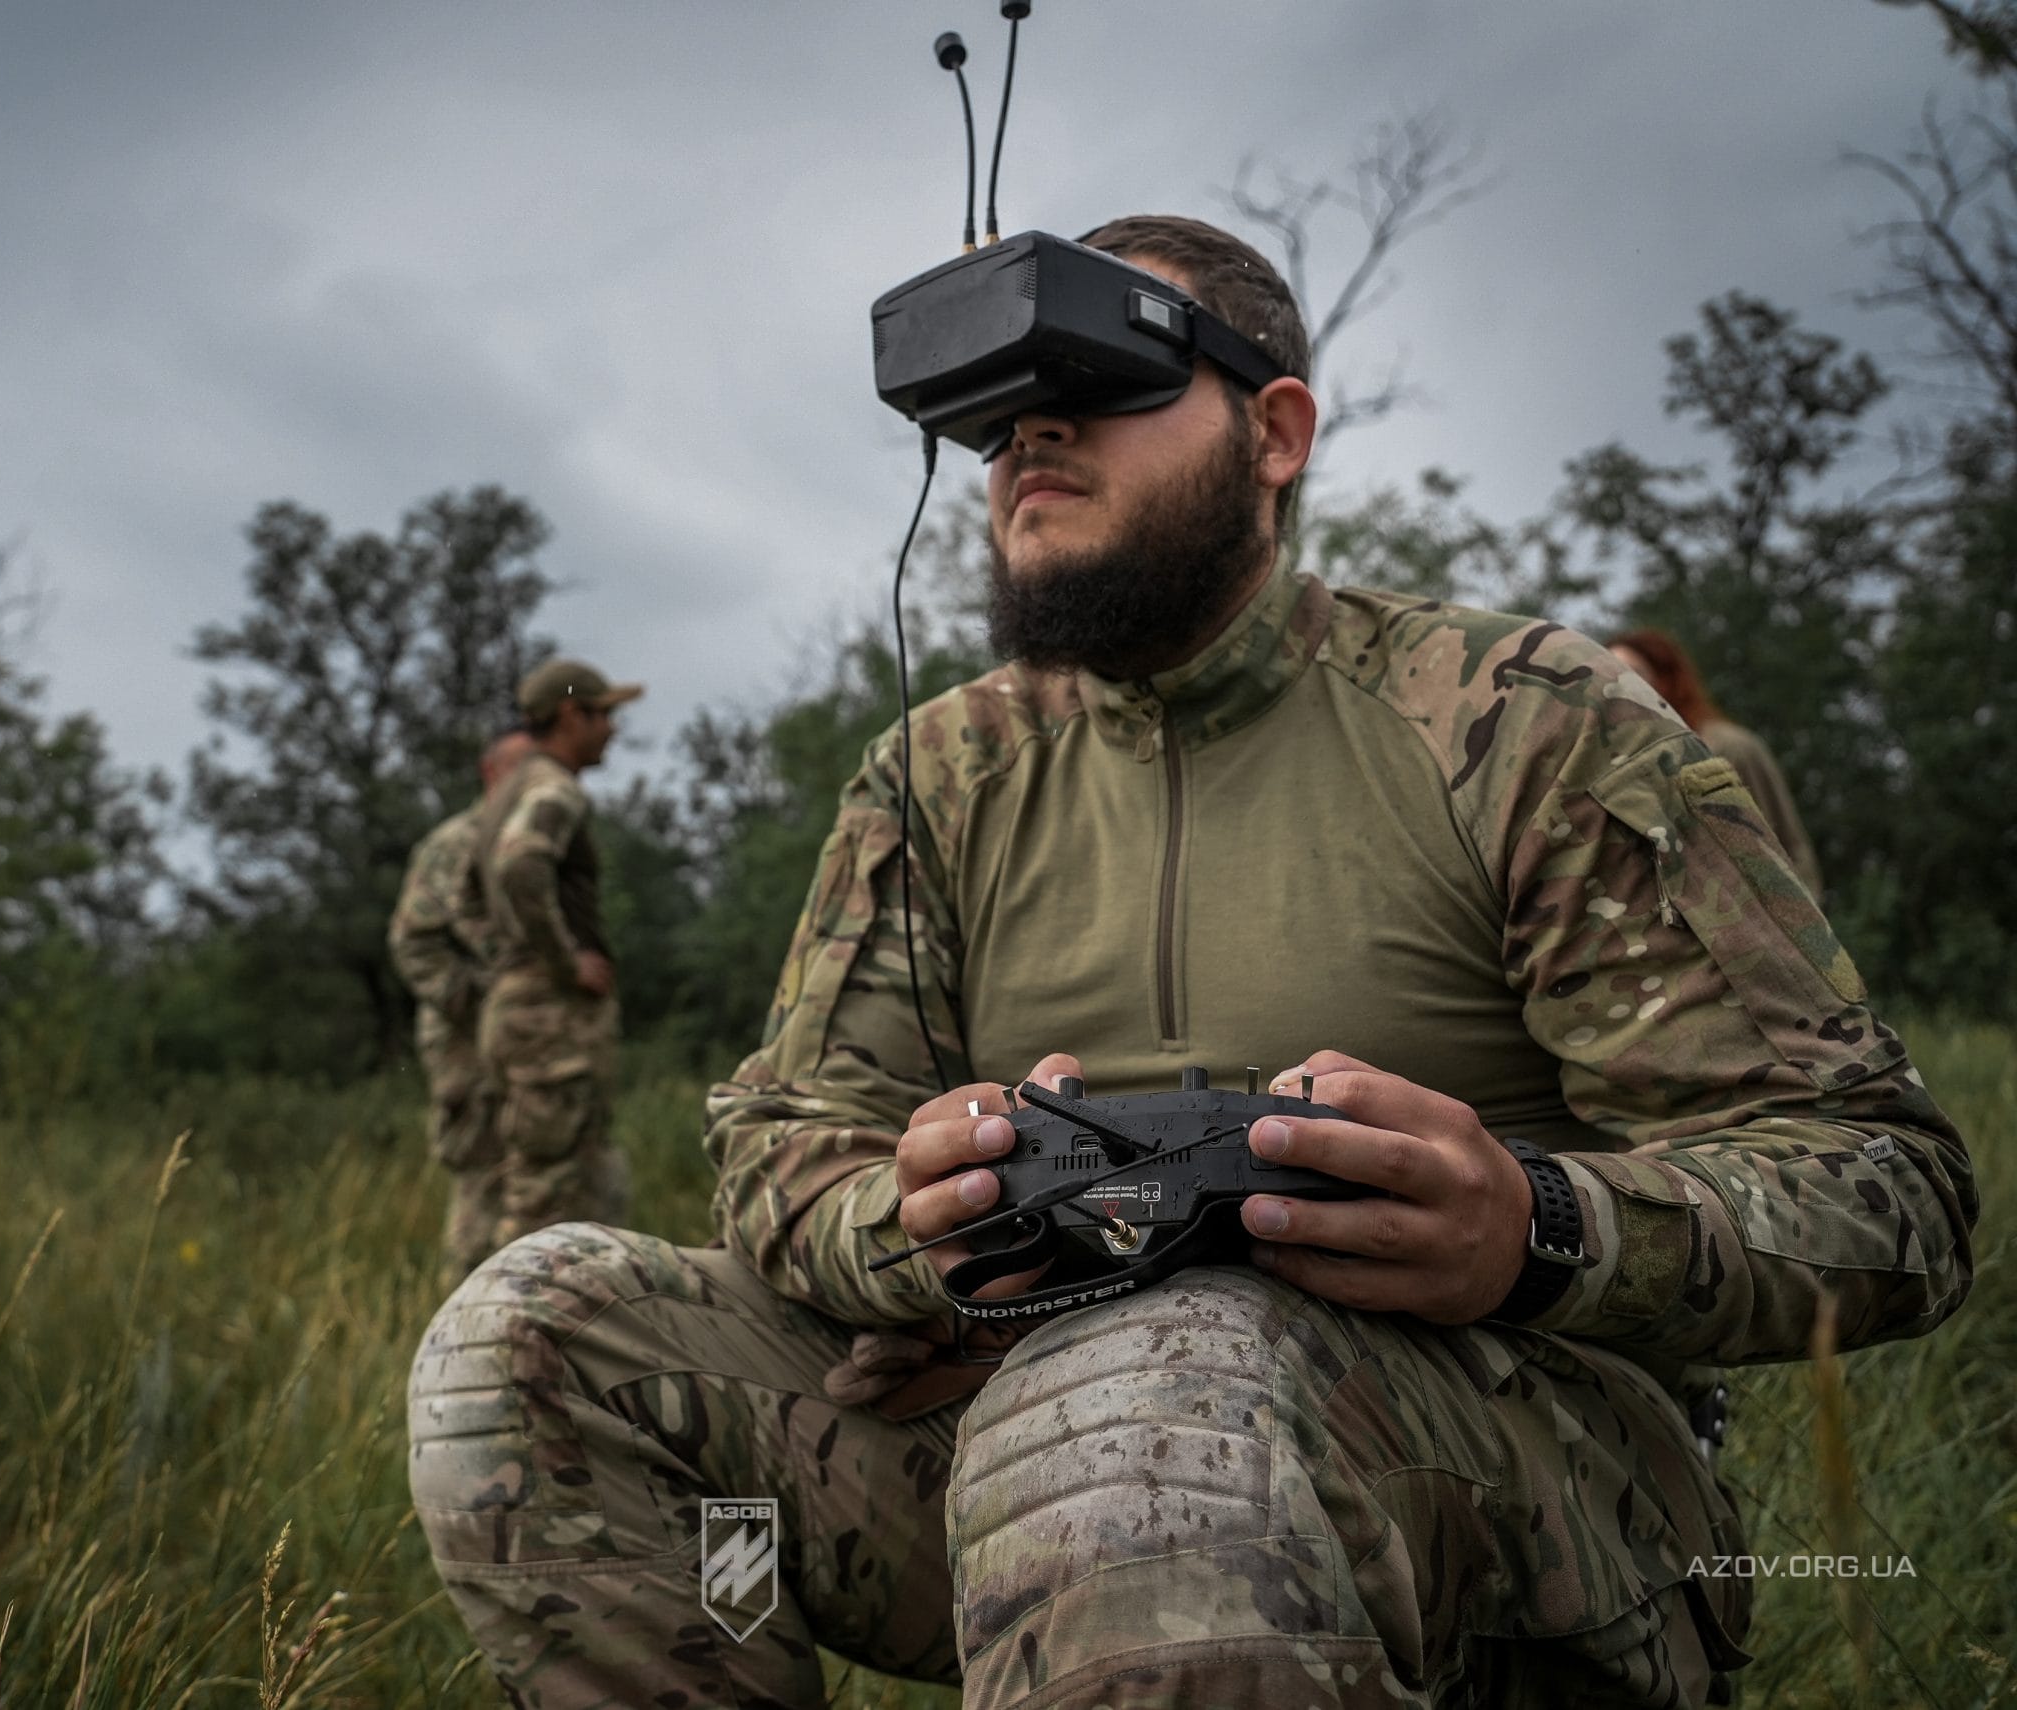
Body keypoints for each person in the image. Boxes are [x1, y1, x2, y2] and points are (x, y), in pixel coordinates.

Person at [406, 217, 1976, 1708]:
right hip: (1007, 1433)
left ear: (1274, 433)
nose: (1033, 437)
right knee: (532, 1338)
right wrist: (925, 1227)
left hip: (1526, 1497)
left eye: (1101, 383)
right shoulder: (939, 774)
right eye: (1005, 413)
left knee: (1150, 1404)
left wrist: (1539, 1224)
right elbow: (777, 1140)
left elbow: (1886, 1187)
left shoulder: (1520, 718)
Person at [469, 657, 642, 1256]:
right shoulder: (552, 788)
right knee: (544, 1198)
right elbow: (521, 863)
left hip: (520, 1010)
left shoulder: (505, 792)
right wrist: (567, 961)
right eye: (605, 714)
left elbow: (478, 893)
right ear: (572, 715)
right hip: (550, 1016)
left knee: (555, 1185)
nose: (613, 730)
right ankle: (507, 1335)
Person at [389, 727, 537, 1293]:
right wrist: (485, 1006)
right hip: (468, 1045)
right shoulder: (456, 843)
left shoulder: (531, 841)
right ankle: (464, 1319)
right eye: (521, 770)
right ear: (492, 772)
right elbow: (415, 943)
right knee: (483, 1178)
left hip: (528, 1043)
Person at [1607, 628, 1825, 897]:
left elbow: (1788, 845)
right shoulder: (1610, 770)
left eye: (1632, 672)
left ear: (1664, 680)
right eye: (1609, 674)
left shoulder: (1729, 747)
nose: (1619, 684)